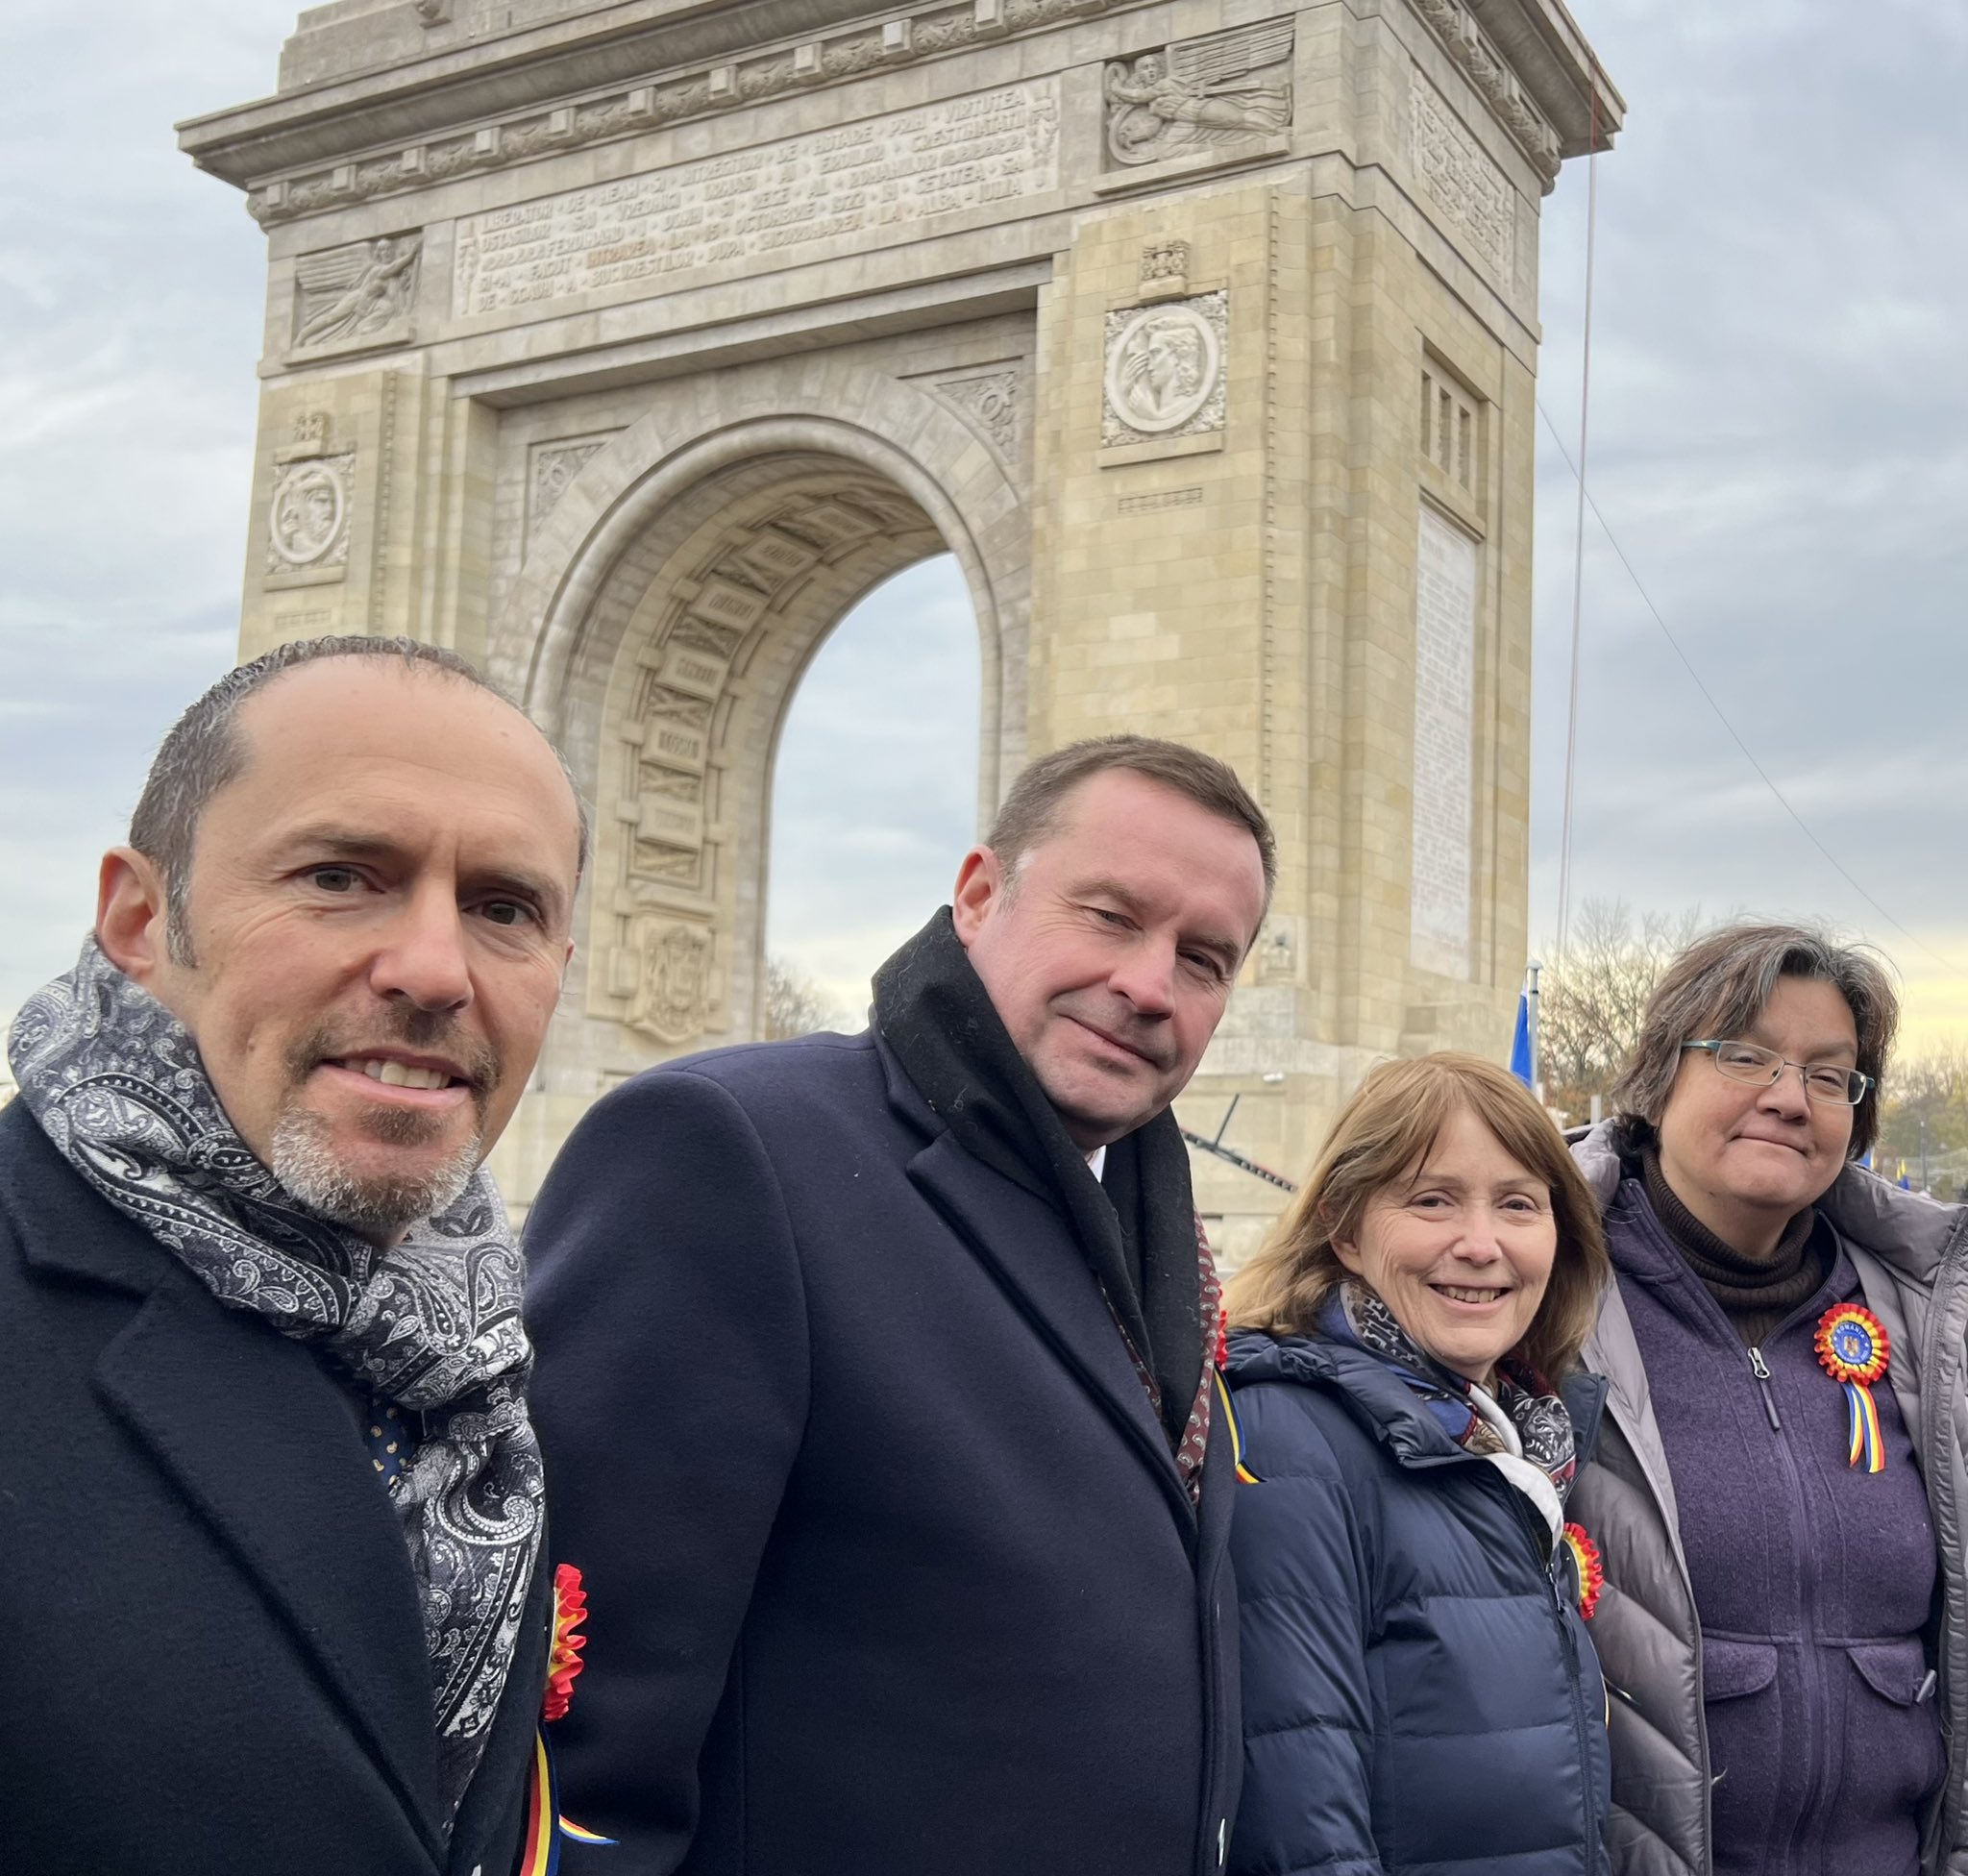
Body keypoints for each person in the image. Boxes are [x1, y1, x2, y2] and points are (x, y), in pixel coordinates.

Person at [526, 735, 1273, 1876]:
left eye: (1203, 958)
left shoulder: (1154, 1220)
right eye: (1110, 915)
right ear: (976, 895)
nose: (1146, 983)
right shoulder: (725, 1148)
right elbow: (584, 1728)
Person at [0, 636, 588, 1876]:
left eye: (503, 907)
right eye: (338, 876)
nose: (433, 970)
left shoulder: (482, 1355)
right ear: (141, 917)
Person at [1567, 923, 1967, 1875]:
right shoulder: (1546, 1290)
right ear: (1660, 1077)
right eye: (1744, 1056)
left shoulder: (1928, 1323)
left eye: (1828, 1075)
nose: (1788, 1098)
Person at [1222, 1052, 1614, 1876]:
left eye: (1518, 1204)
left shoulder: (1521, 1437)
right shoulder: (1287, 1438)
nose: (1480, 1245)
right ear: (1344, 1229)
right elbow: (1303, 1825)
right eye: (1432, 1200)